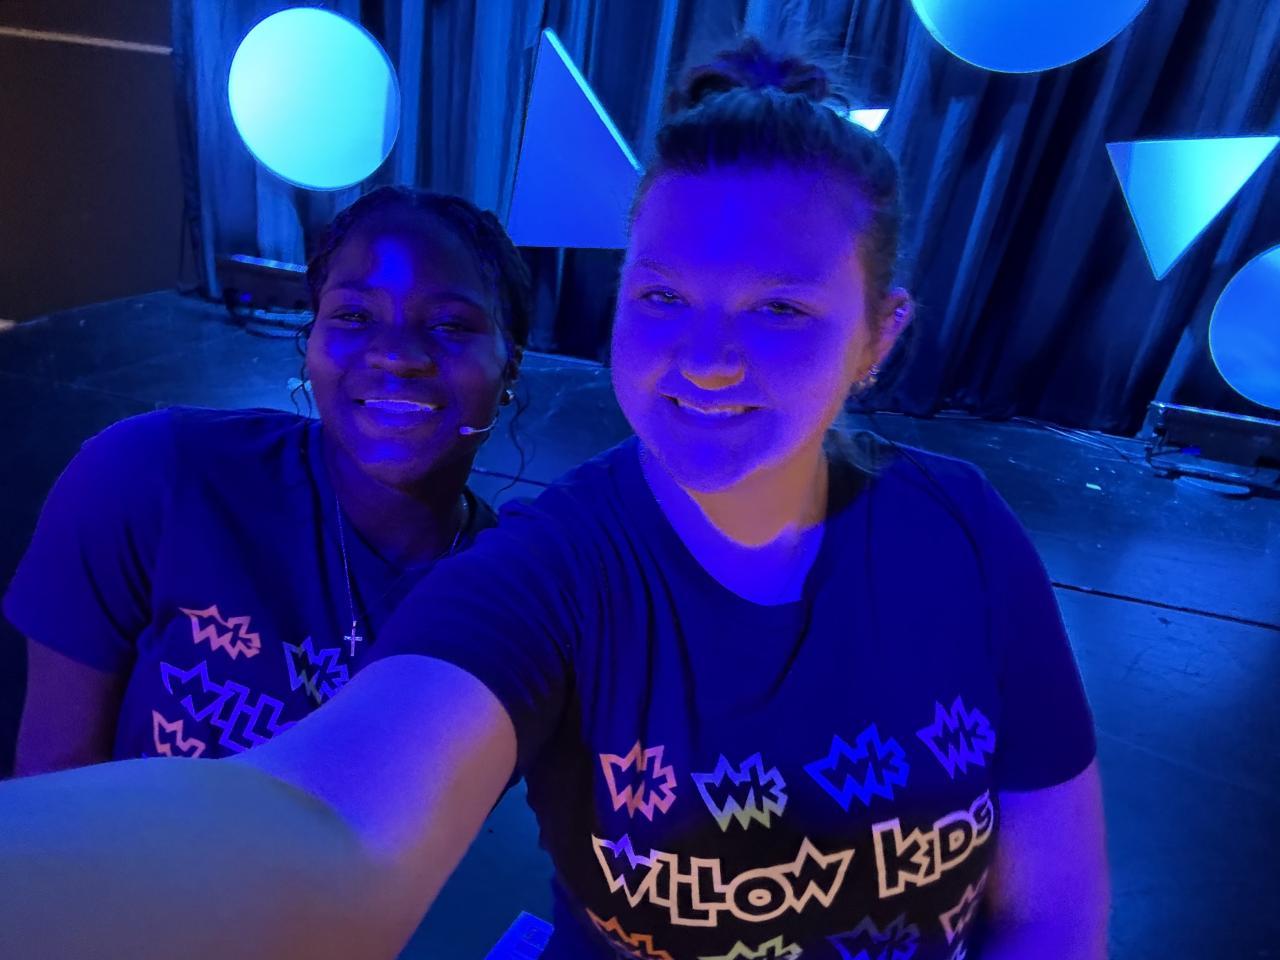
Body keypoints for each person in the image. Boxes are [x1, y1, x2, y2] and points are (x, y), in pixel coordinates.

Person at [0, 38, 1109, 960]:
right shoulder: (544, 573)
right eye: (662, 295)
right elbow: (328, 831)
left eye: (779, 309)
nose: (707, 357)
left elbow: (1048, 911)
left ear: (877, 337)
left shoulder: (961, 530)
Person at [4, 186, 530, 772]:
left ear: (510, 362)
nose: (396, 355)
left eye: (451, 325)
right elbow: (53, 777)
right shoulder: (151, 476)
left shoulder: (517, 603)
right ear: (311, 342)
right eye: (355, 315)